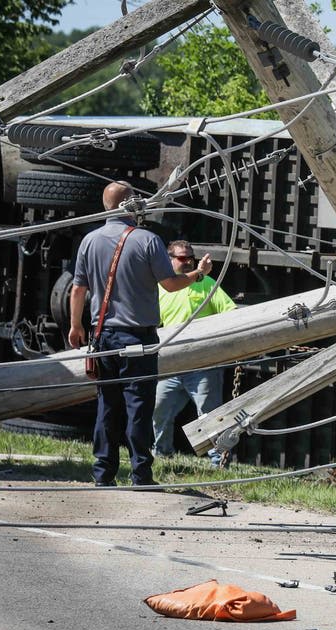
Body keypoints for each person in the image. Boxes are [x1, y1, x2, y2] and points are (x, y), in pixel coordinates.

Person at [68, 182, 213, 487]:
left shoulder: (89, 241)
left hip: (102, 337)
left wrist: (76, 325)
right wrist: (199, 273)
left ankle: (103, 474)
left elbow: (78, 288)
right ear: (130, 204)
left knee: (107, 406)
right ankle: (140, 474)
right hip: (138, 338)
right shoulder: (148, 240)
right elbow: (171, 284)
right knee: (138, 408)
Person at [152, 240, 237, 466]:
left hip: (203, 364)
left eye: (190, 257)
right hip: (171, 365)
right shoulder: (162, 288)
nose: (188, 261)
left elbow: (230, 312)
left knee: (209, 416)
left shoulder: (207, 283)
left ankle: (218, 462)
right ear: (169, 260)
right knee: (160, 411)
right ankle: (162, 454)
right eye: (182, 258)